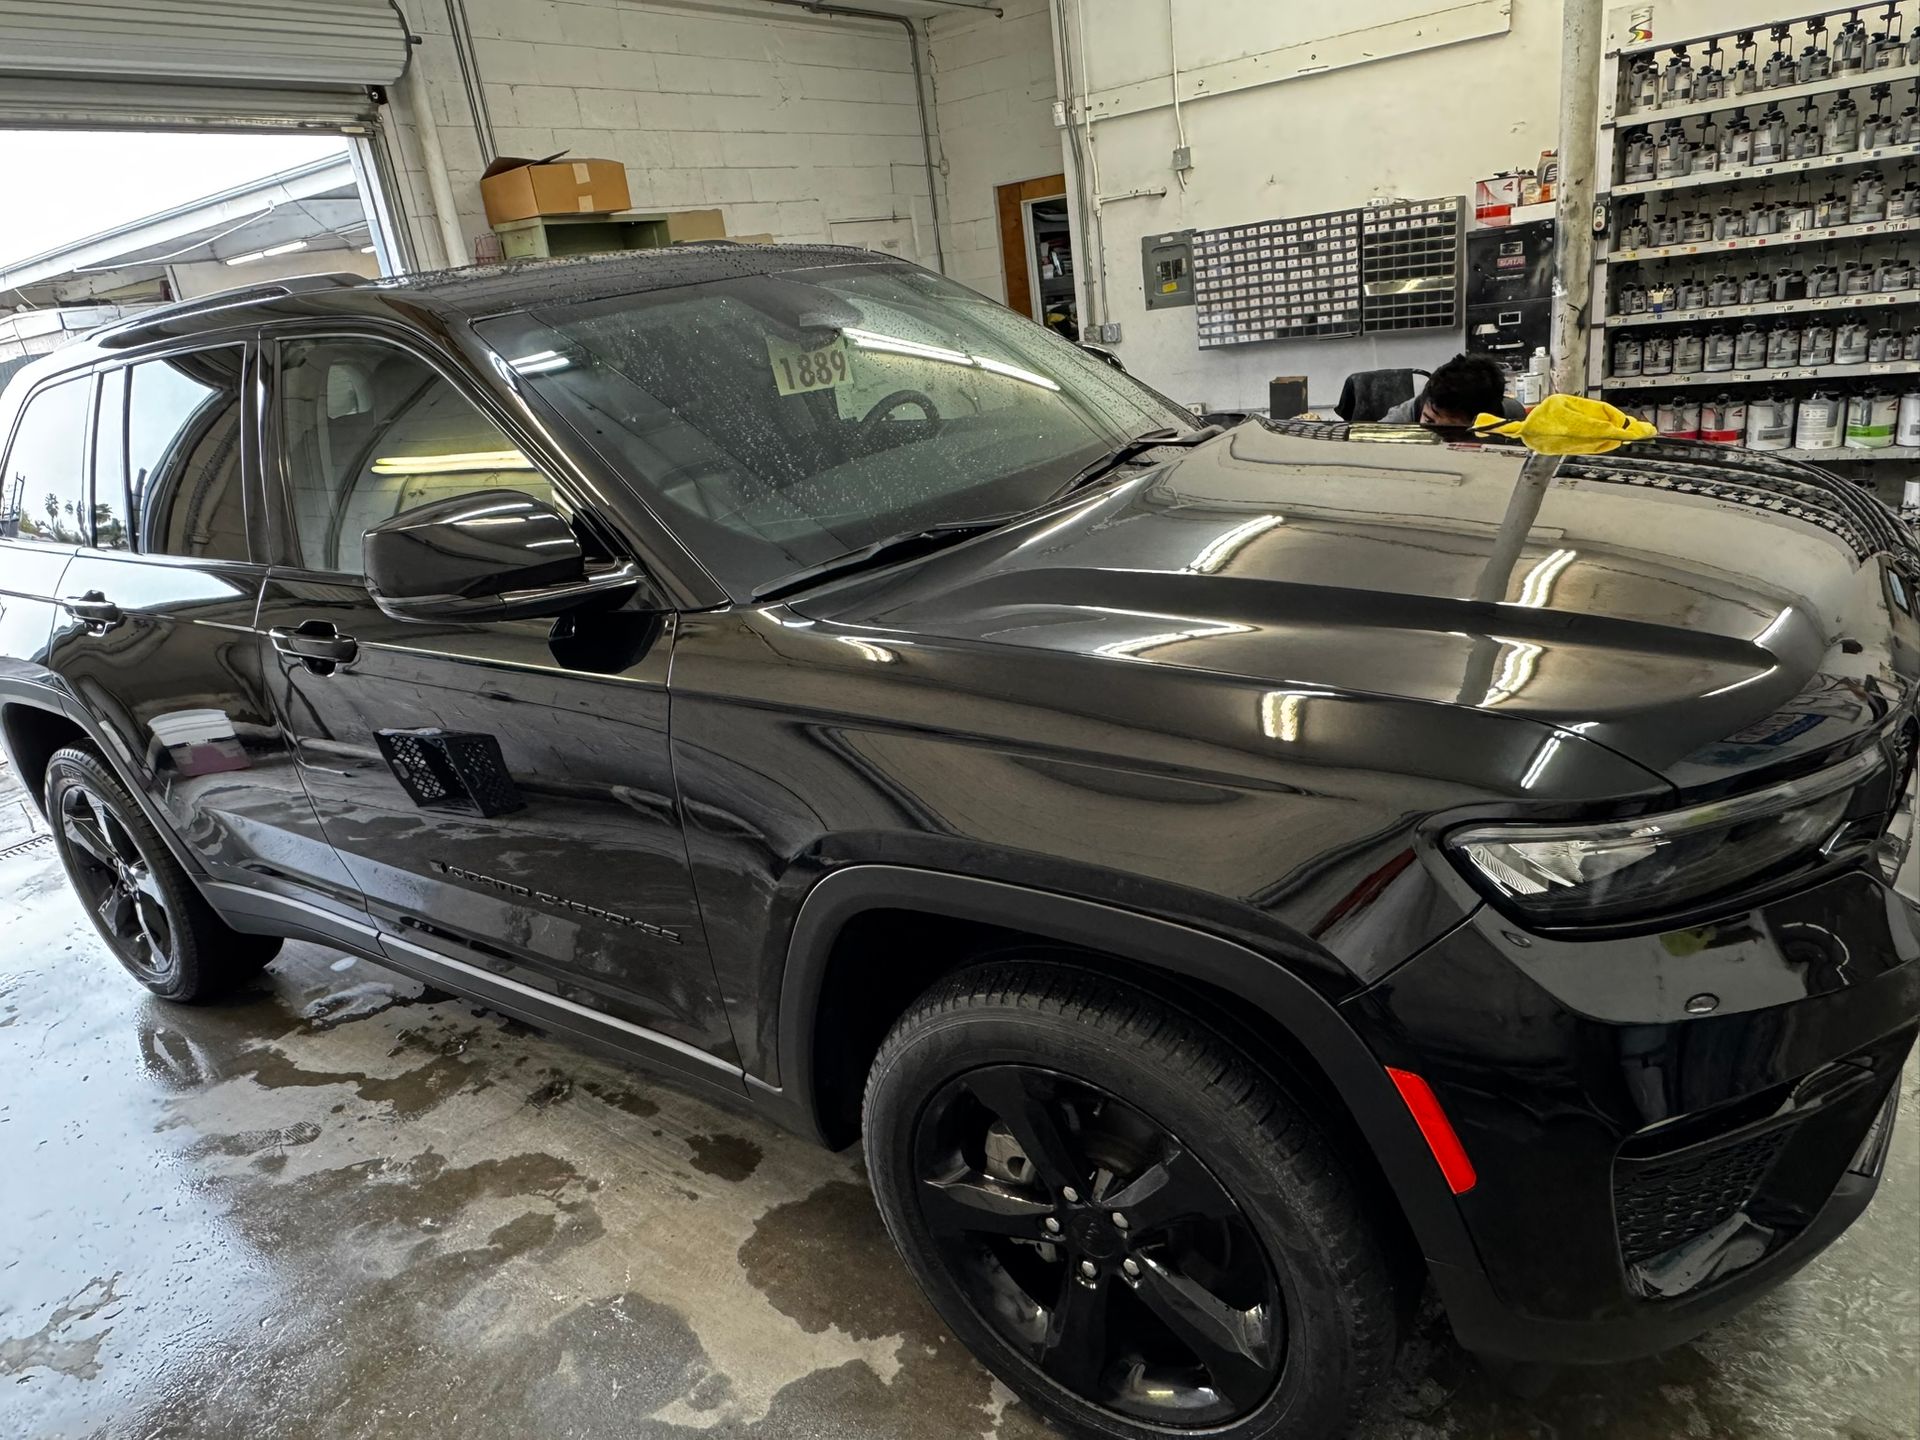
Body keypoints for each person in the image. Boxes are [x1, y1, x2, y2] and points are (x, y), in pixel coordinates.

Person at [1381, 353, 1526, 426]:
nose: (1437, 437)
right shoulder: (1399, 421)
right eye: (1429, 421)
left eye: (1450, 431)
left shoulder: (1511, 419)